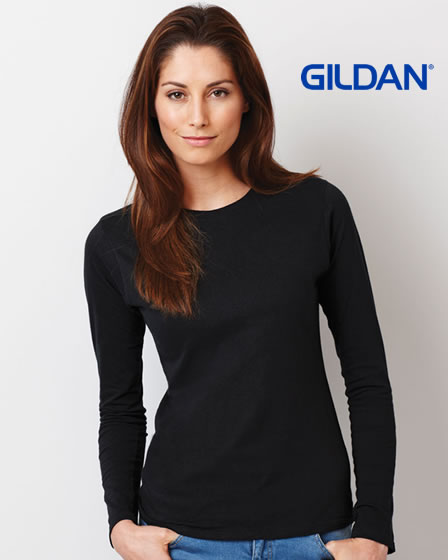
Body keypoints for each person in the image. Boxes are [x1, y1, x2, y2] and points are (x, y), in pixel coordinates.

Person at [83, 4, 397, 559]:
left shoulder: (316, 211)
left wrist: (373, 527)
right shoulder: (116, 243)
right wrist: (120, 525)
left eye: (218, 92)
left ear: (247, 98)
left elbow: (367, 376)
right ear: (151, 104)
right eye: (176, 94)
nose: (197, 117)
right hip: (182, 538)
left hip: (316, 536)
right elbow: (120, 402)